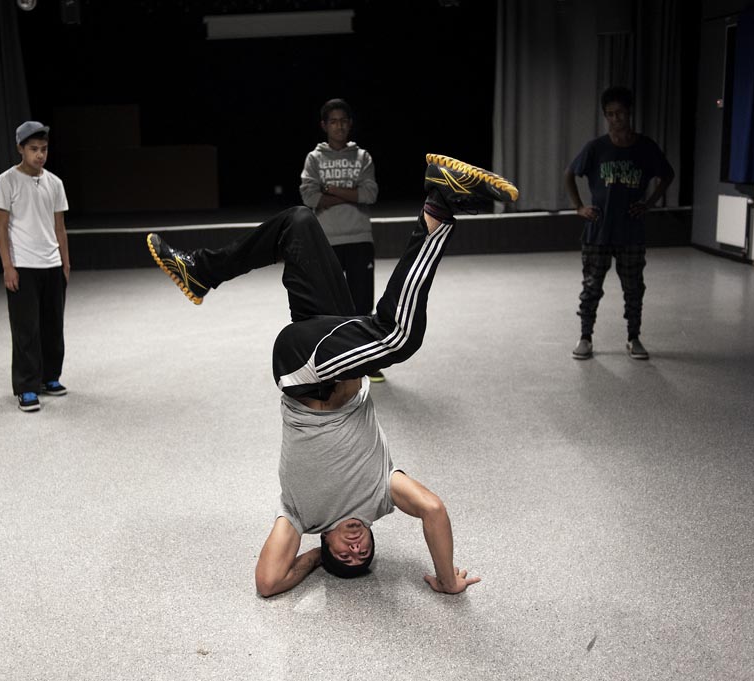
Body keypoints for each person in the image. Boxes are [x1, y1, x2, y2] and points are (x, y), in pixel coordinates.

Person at [147, 153, 518, 596]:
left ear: (324, 544)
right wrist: (446, 580)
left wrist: (314, 559)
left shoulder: (303, 517)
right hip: (333, 353)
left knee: (397, 336)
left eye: (342, 556)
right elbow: (434, 511)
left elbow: (267, 583)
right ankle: (201, 271)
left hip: (304, 373)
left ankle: (438, 209)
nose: (355, 549)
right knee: (299, 223)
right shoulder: (382, 496)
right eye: (363, 556)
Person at [564, 86, 675, 361]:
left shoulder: (645, 147)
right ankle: (585, 338)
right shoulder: (596, 148)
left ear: (629, 113)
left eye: (620, 113)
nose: (616, 119)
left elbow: (667, 174)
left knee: (634, 288)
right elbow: (569, 173)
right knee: (591, 287)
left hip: (630, 232)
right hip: (598, 230)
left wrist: (649, 204)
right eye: (610, 114)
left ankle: (634, 338)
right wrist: (579, 207)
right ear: (605, 116)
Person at [299, 98, 384, 382]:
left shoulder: (363, 157)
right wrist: (350, 192)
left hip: (359, 237)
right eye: (333, 121)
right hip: (327, 240)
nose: (339, 126)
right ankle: (333, 361)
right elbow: (309, 197)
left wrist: (331, 190)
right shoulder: (314, 159)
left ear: (350, 124)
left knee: (362, 304)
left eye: (343, 121)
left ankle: (366, 360)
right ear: (324, 125)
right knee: (329, 305)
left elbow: (370, 194)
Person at [0, 121, 71, 412]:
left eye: (44, 149)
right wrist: (7, 266)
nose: (40, 155)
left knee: (53, 325)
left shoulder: (55, 183)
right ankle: (27, 387)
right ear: (20, 149)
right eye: (34, 149)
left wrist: (65, 262)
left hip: (51, 264)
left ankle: (50, 377)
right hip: (23, 265)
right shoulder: (7, 181)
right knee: (26, 329)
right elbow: (1, 228)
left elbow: (59, 227)